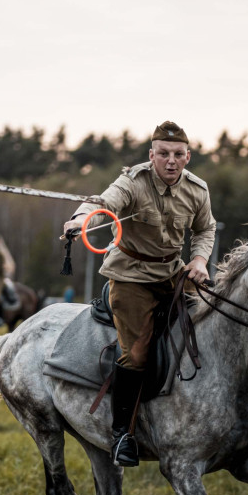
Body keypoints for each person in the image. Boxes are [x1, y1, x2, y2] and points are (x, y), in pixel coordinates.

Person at [62, 121, 216, 467]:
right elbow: (103, 204)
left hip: (173, 271)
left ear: (187, 156)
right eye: (163, 154)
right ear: (152, 155)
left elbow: (206, 228)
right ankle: (122, 436)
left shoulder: (197, 190)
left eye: (178, 154)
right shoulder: (133, 180)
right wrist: (81, 219)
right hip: (131, 276)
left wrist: (200, 260)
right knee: (137, 353)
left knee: (216, 316)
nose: (171, 161)